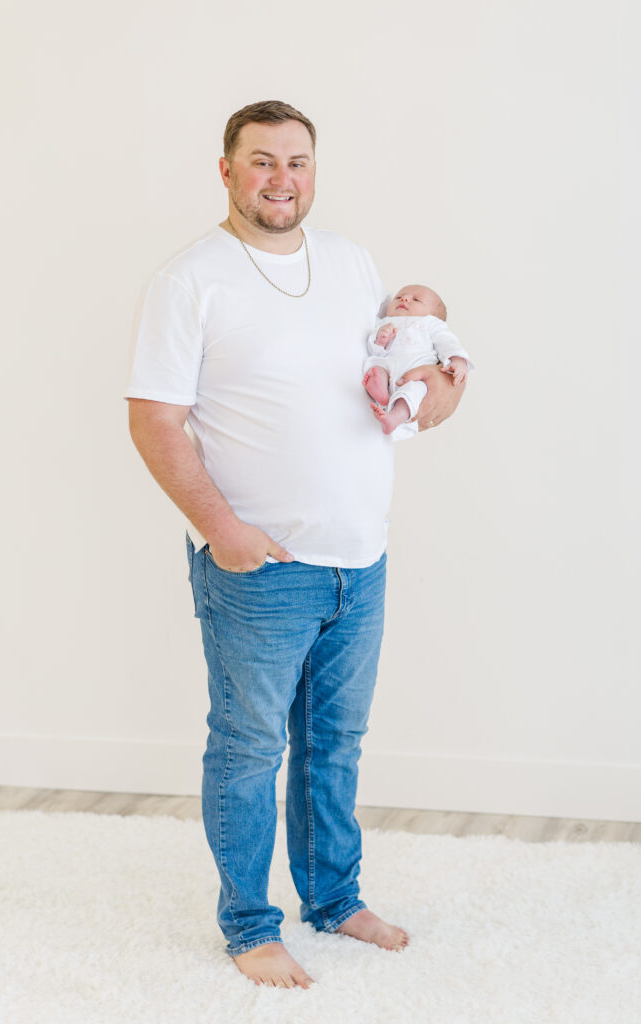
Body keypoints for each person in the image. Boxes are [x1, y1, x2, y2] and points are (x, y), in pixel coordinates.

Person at [125, 100, 466, 990]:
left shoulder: (353, 264)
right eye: (263, 161)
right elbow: (155, 419)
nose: (282, 178)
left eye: (298, 162)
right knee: (247, 748)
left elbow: (395, 386)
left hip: (361, 559)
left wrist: (442, 384)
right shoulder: (190, 279)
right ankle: (247, 924)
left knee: (334, 743)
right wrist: (223, 532)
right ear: (227, 170)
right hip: (261, 568)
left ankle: (333, 897)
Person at [363, 284, 473, 436]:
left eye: (416, 300)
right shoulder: (384, 322)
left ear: (433, 315)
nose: (405, 298)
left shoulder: (430, 324)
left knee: (415, 391)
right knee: (377, 368)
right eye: (399, 297)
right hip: (389, 368)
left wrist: (457, 361)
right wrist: (380, 340)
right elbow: (372, 351)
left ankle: (394, 417)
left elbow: (448, 343)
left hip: (415, 375)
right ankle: (380, 390)